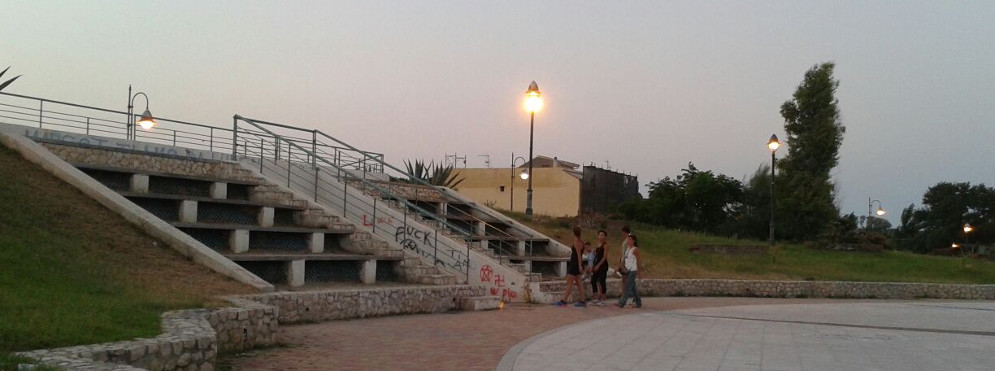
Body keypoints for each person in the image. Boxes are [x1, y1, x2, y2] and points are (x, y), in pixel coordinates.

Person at [555, 226, 587, 307]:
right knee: (579, 283)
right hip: (576, 263)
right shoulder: (581, 242)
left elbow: (579, 255)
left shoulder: (576, 242)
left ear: (574, 233)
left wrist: (579, 265)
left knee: (569, 282)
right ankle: (583, 300)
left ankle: (564, 300)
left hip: (575, 264)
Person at [617, 234, 642, 308]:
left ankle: (622, 302)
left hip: (633, 270)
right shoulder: (628, 249)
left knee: (628, 286)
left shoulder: (635, 249)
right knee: (633, 287)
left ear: (634, 241)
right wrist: (620, 266)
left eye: (630, 239)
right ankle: (638, 302)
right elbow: (625, 259)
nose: (629, 241)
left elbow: (638, 261)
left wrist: (639, 273)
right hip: (627, 270)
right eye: (628, 240)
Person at [590, 229, 609, 306]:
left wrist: (598, 265)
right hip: (596, 264)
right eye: (600, 235)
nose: (601, 236)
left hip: (603, 265)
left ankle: (603, 300)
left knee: (602, 281)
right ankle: (595, 298)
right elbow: (597, 255)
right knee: (593, 280)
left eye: (602, 235)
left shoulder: (606, 245)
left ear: (605, 236)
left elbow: (604, 257)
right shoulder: (598, 244)